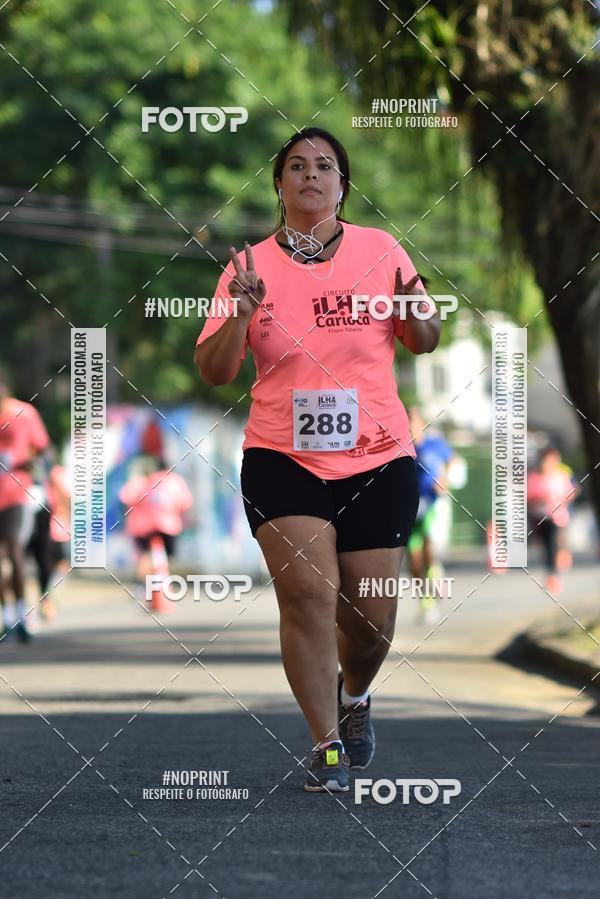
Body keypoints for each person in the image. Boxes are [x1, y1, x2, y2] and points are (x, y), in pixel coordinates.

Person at [194, 127, 441, 792]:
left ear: (342, 185)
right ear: (279, 184)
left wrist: (416, 304)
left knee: (371, 618)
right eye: (297, 166)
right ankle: (325, 743)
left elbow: (424, 337)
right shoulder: (248, 265)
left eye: (324, 166)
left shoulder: (380, 249)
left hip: (378, 455)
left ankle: (354, 695)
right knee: (307, 598)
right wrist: (238, 316)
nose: (311, 175)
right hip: (283, 456)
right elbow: (215, 370)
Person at [0, 370, 50, 642]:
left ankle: (21, 613)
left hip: (16, 494)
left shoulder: (23, 414)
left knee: (13, 549)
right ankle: (7, 615)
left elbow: (43, 449)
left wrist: (32, 469)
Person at [406, 407, 454, 623]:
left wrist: (444, 479)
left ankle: (435, 571)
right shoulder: (399, 448)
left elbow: (452, 461)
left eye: (414, 422)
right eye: (407, 422)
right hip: (408, 508)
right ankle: (426, 602)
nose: (411, 427)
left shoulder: (435, 444)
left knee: (428, 544)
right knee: (414, 562)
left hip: (432, 503)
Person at [119, 455, 193, 590]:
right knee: (169, 555)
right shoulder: (176, 481)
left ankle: (141, 584)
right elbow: (185, 503)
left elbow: (128, 498)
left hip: (146, 525)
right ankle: (164, 580)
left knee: (146, 555)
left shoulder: (148, 480)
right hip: (170, 525)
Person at [527, 446, 578, 594]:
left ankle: (553, 575)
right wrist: (538, 499)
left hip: (556, 517)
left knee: (553, 544)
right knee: (544, 546)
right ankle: (551, 569)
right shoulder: (534, 477)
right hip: (539, 517)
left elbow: (572, 491)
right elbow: (527, 497)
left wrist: (563, 499)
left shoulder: (561, 476)